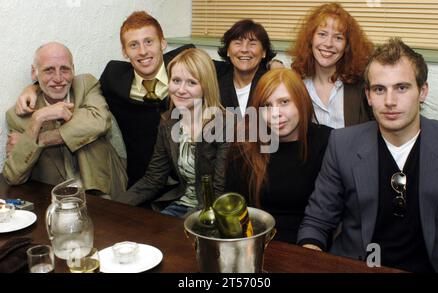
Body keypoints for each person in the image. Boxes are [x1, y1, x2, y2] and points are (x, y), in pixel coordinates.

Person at [297, 38, 438, 272]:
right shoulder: (342, 144)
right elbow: (318, 220)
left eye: (402, 87)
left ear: (423, 91)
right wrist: (310, 259)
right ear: (368, 95)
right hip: (357, 266)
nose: (390, 101)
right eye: (380, 89)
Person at [15, 11, 194, 189]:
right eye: (133, 45)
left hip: (189, 178)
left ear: (163, 43)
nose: (143, 51)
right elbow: (64, 86)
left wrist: (40, 139)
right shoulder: (114, 77)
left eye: (149, 41)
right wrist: (34, 87)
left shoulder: (189, 68)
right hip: (142, 183)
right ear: (124, 52)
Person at [3, 42, 127, 197]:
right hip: (58, 202)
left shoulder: (86, 84)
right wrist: (38, 118)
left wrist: (40, 140)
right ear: (34, 72)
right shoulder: (18, 116)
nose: (58, 78)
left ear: (73, 69)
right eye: (49, 70)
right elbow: (12, 176)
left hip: (106, 193)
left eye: (65, 69)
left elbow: (99, 120)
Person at [116, 48, 229, 217]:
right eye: (176, 80)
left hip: (213, 211)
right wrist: (112, 206)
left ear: (206, 86)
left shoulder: (225, 125)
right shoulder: (168, 123)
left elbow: (219, 192)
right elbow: (153, 179)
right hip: (181, 203)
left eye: (191, 82)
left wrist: (184, 224)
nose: (181, 90)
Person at [225, 68, 331, 243]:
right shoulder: (244, 146)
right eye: (267, 106)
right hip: (255, 242)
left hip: (309, 244)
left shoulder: (328, 142)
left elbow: (332, 214)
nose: (275, 114)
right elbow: (233, 207)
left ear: (301, 100)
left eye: (284, 102)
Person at [290, 3, 373, 128]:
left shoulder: (361, 87)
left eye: (338, 38)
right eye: (322, 34)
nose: (328, 44)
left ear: (347, 46)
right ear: (310, 39)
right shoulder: (296, 85)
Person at [215, 19, 278, 117]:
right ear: (228, 50)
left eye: (252, 44)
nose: (244, 49)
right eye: (238, 43)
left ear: (264, 52)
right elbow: (185, 53)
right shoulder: (218, 74)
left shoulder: (271, 82)